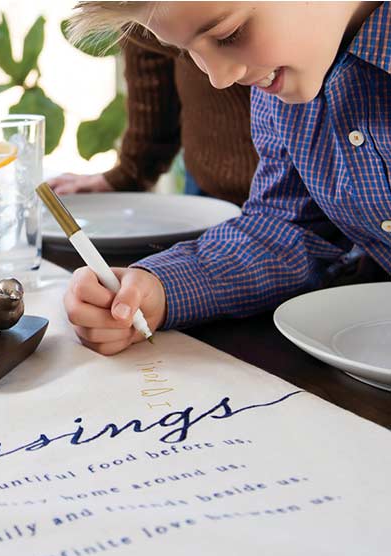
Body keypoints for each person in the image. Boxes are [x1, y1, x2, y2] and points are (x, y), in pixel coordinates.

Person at [63, 1, 390, 356]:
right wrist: (158, 289)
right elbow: (288, 229)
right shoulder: (284, 91)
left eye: (229, 34)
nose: (219, 79)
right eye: (185, 51)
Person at [48, 27, 258, 206]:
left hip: (282, 186)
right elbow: (147, 36)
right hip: (211, 188)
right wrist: (132, 170)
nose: (219, 78)